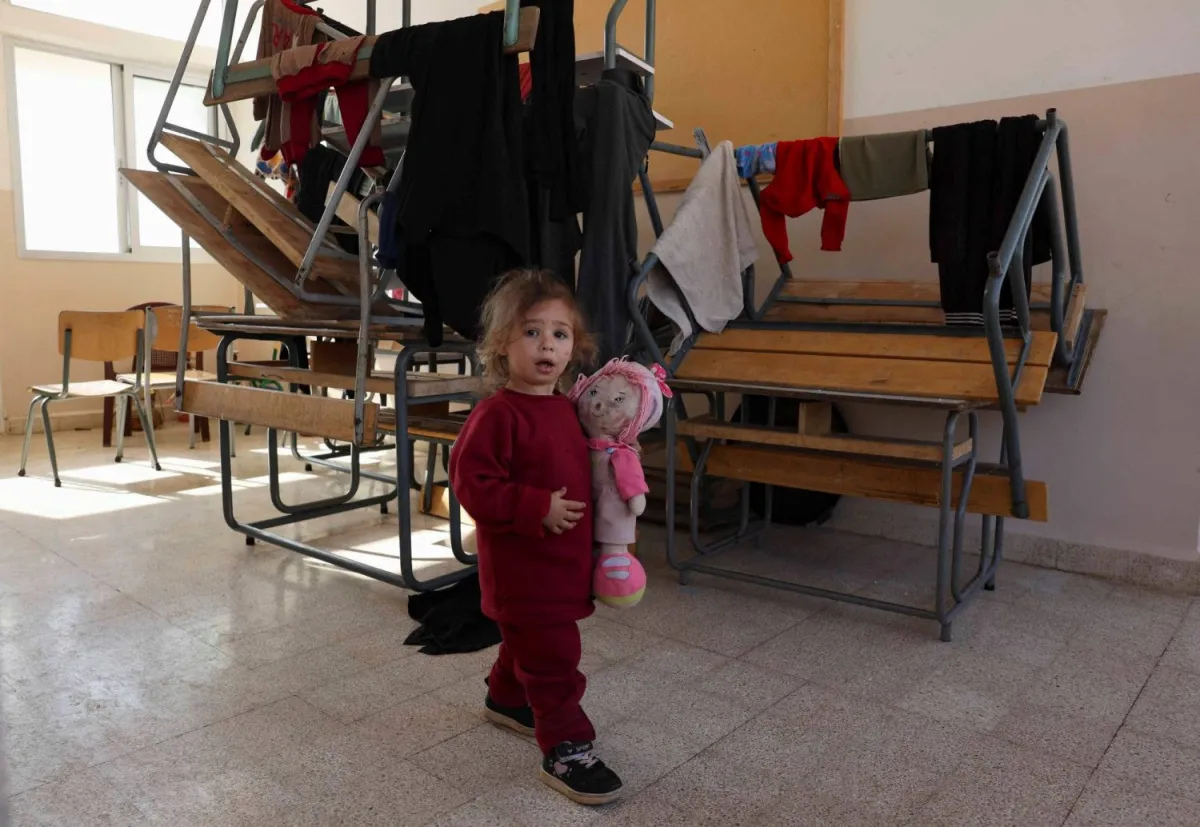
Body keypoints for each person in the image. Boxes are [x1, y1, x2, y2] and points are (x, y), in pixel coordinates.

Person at [448, 269, 624, 806]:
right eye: (531, 331)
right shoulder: (497, 414)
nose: (547, 344)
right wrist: (535, 506)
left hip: (562, 565)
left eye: (559, 333)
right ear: (502, 344)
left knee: (526, 643)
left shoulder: (567, 408)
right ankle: (567, 747)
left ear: (574, 347)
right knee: (553, 658)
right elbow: (471, 484)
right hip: (524, 572)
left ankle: (505, 698)